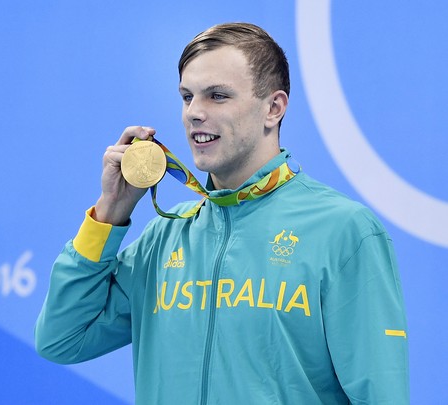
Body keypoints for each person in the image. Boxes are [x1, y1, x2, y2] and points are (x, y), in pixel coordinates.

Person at [35, 22, 409, 404]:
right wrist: (109, 213)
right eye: (186, 97)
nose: (194, 113)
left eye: (217, 96)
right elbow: (61, 339)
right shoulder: (164, 237)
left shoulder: (343, 231)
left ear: (273, 108)